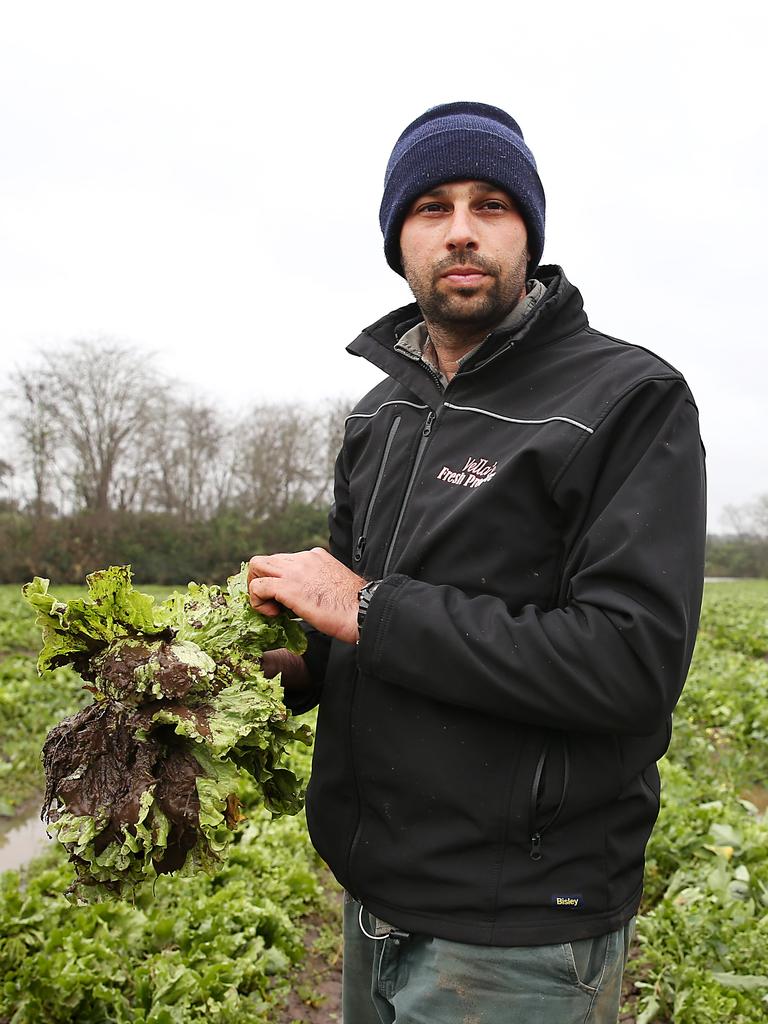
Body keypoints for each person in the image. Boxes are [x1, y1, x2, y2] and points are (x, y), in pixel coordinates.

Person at [247, 101, 706, 1024]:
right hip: (374, 887)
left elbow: (628, 665)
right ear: (398, 240)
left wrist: (369, 608)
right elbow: (351, 639)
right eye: (432, 207)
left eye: (491, 204)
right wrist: (264, 684)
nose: (461, 231)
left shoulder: (627, 399)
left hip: (519, 927)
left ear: (528, 232)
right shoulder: (382, 413)